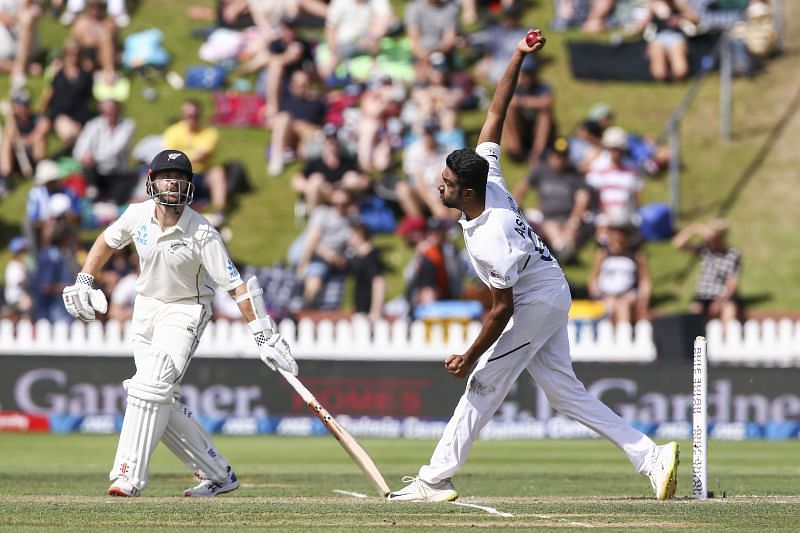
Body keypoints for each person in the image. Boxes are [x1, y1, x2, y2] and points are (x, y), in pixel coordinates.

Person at [387, 30, 679, 503]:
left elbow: (501, 310)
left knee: (484, 383)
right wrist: (519, 55)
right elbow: (496, 113)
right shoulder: (488, 176)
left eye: (445, 183)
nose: (437, 187)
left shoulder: (493, 235)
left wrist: (470, 354)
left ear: (466, 192)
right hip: (548, 289)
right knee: (565, 395)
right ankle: (651, 456)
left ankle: (434, 479)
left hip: (534, 301)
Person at [60, 149, 298, 497]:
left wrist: (262, 335)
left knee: (152, 383)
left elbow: (236, 287)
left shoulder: (202, 232)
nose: (173, 182)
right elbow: (106, 241)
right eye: (166, 176)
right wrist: (84, 280)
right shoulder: (138, 214)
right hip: (146, 308)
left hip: (186, 309)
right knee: (155, 394)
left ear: (189, 184)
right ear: (152, 181)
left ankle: (127, 475)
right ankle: (219, 475)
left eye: (181, 177)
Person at [514, 137, 591, 263]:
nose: (560, 159)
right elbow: (521, 189)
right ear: (551, 155)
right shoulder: (541, 170)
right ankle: (561, 248)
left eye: (563, 156)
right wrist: (514, 207)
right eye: (557, 155)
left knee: (571, 228)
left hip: (567, 218)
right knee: (550, 225)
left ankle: (564, 250)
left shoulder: (574, 174)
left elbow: (582, 199)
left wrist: (574, 219)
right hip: (544, 217)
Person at [162, 100, 229, 227]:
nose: (192, 119)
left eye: (195, 116)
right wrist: (192, 155)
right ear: (183, 115)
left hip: (202, 174)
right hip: (181, 175)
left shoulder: (209, 132)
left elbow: (202, 155)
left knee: (218, 172)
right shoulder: (173, 132)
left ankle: (219, 212)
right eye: (189, 116)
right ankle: (170, 211)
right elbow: (168, 157)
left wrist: (181, 155)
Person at [671, 219, 741, 326]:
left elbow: (732, 282)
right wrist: (695, 228)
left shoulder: (732, 254)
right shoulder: (706, 250)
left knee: (729, 310)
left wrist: (719, 301)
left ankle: (726, 340)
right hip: (703, 294)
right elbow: (677, 244)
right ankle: (697, 340)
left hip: (721, 294)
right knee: (694, 315)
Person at [587, 218, 652, 324]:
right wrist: (599, 296)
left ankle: (623, 333)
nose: (616, 235)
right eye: (613, 231)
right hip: (606, 295)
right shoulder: (602, 253)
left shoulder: (636, 255)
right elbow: (593, 279)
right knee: (610, 306)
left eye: (620, 232)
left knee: (622, 305)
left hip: (629, 294)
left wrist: (643, 301)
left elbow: (644, 280)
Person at [72, 98, 136, 203]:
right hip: (96, 171)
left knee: (117, 201)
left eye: (112, 111)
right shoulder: (94, 125)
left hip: (118, 173)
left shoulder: (127, 126)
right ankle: (92, 192)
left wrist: (93, 157)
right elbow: (79, 149)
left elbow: (116, 150)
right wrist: (84, 156)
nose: (109, 115)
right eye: (106, 112)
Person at [640, 0, 699, 81]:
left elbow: (694, 17)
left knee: (680, 72)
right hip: (658, 38)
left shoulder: (678, 3)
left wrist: (679, 17)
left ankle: (673, 74)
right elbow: (643, 23)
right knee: (658, 73)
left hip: (676, 37)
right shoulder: (653, 3)